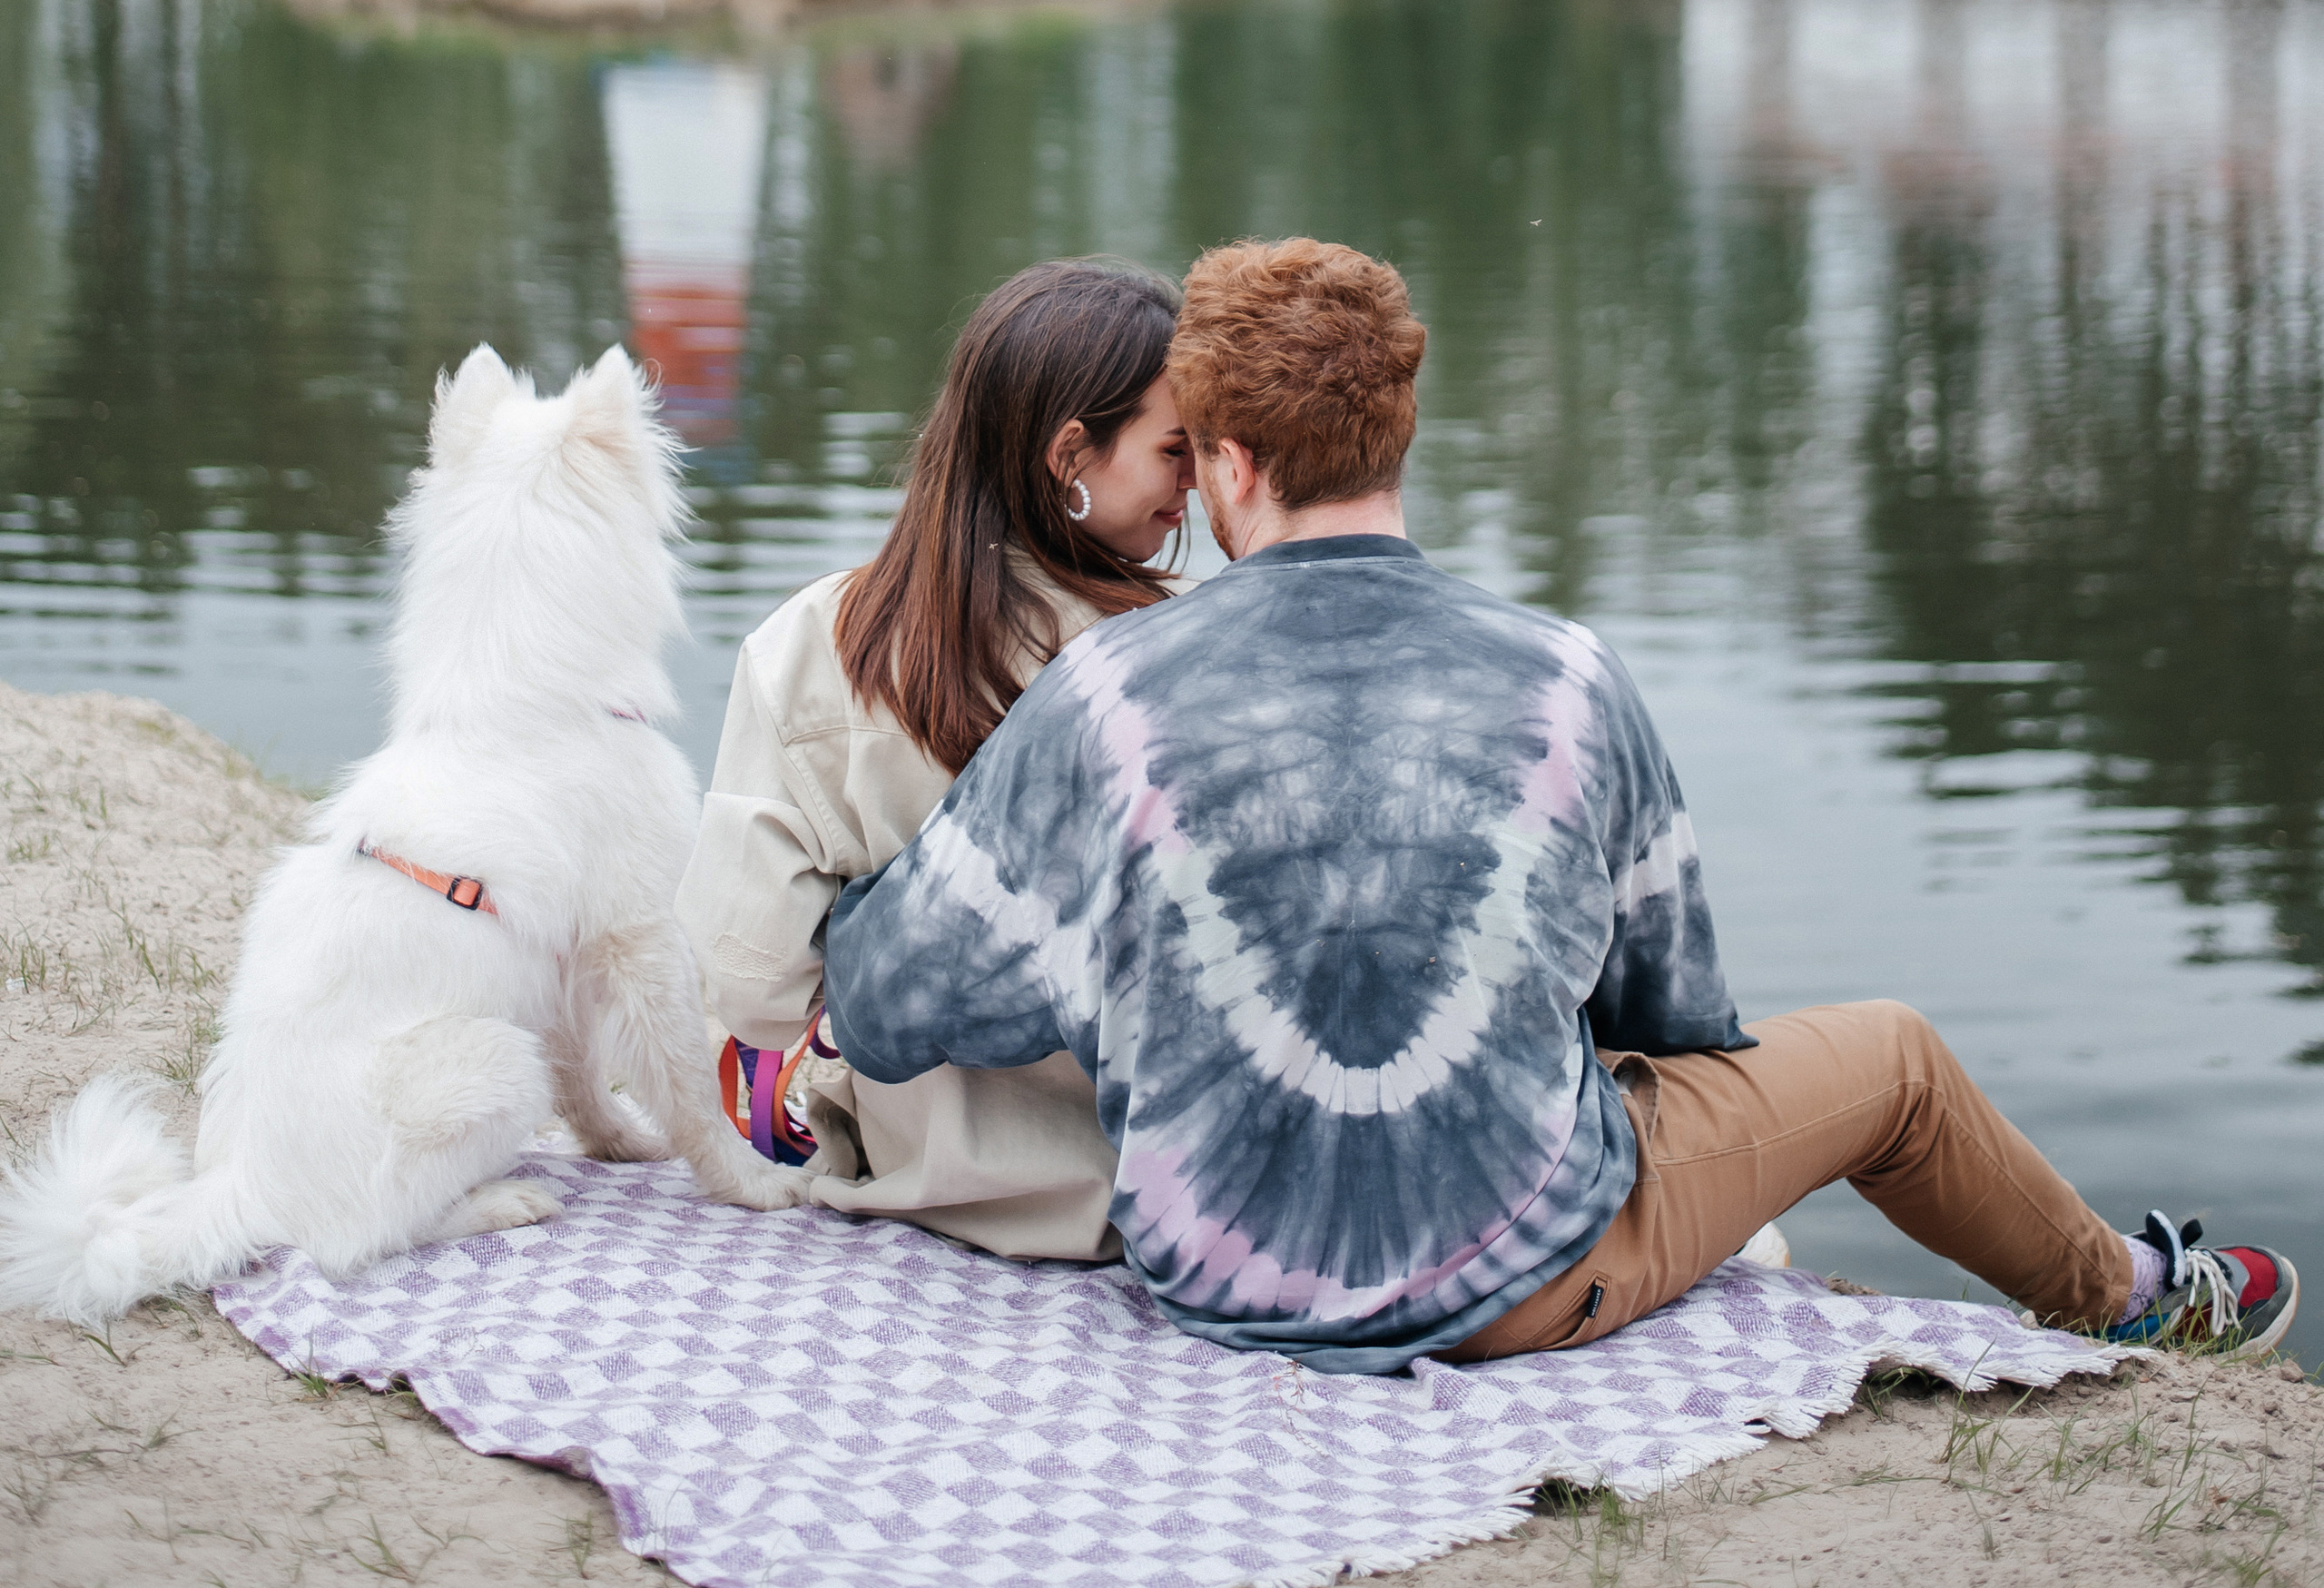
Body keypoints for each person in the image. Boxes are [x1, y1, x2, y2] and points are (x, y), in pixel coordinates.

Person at [822, 236, 2297, 1369]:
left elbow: (887, 1005)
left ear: (1233, 463)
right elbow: (1671, 1017)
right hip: (1523, 1284)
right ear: (1396, 436)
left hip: (1220, 1280)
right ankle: (2142, 1298)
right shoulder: (1568, 680)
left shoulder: (1100, 692)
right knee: (1895, 1060)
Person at [675, 257, 1190, 1258]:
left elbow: (743, 983)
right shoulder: (1184, 652)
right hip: (1147, 1206)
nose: (1200, 480)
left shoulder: (813, 644)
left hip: (916, 1184)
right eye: (1176, 448)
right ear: (1070, 455)